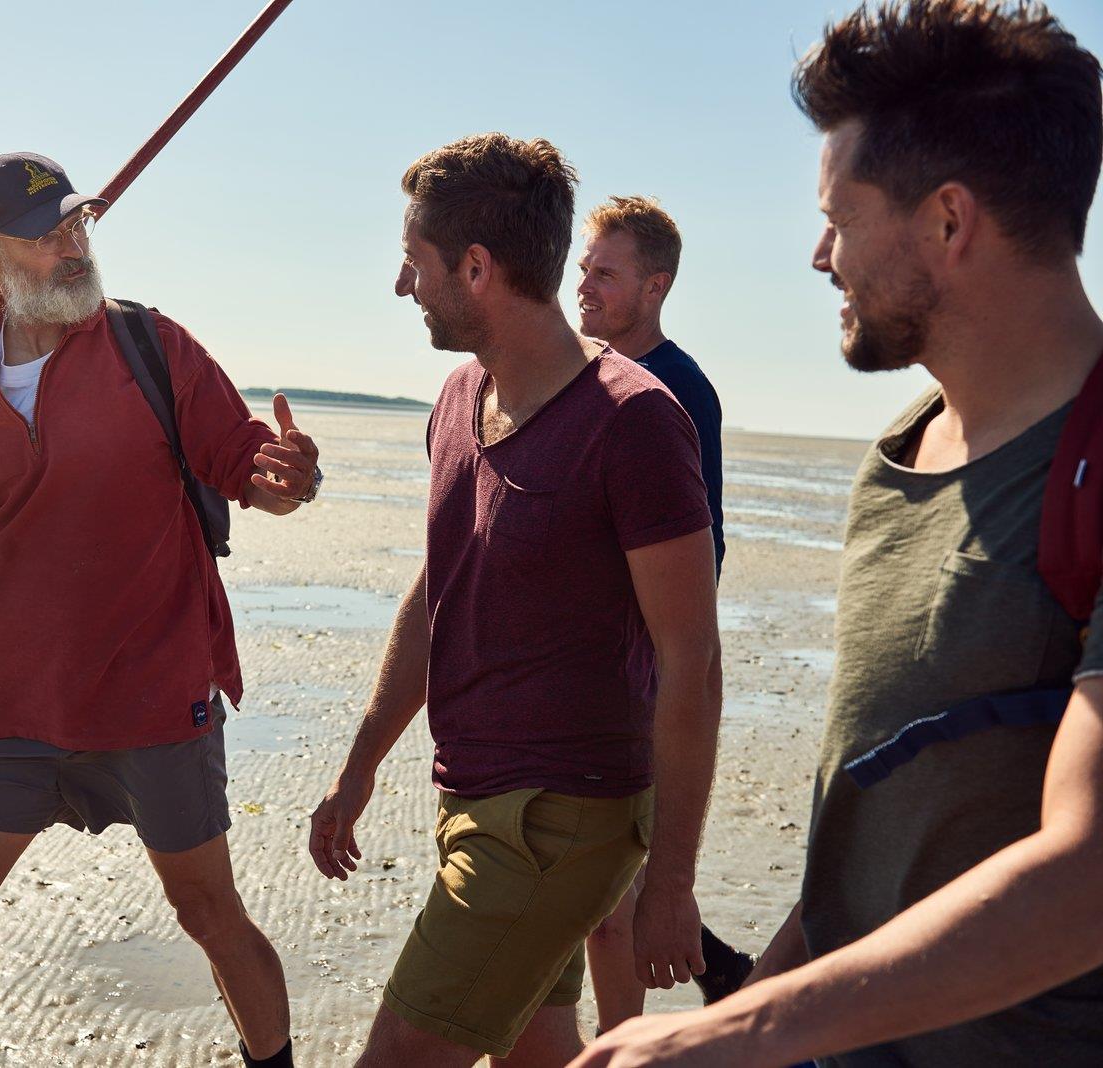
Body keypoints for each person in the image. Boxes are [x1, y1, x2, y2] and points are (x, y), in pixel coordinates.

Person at [574, 2, 1103, 1064]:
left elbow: (1086, 877)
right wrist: (749, 1011)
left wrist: (742, 1028)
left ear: (947, 222)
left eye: (839, 216)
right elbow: (864, 834)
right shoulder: (895, 459)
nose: (821, 256)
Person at [0, 151, 322, 1068]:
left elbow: (250, 469)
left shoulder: (153, 346)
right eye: (45, 236)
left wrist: (288, 476)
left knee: (207, 910)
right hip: (15, 704)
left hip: (156, 691)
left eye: (78, 224)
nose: (73, 246)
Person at [308, 132, 723, 1067]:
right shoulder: (459, 397)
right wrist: (362, 762)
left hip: (560, 821)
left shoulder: (637, 422)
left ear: (479, 267)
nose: (404, 285)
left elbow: (693, 659)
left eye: (416, 263)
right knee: (534, 1051)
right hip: (471, 795)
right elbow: (438, 590)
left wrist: (672, 881)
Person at [575, 197, 753, 1027]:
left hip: (641, 677)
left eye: (604, 273)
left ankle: (629, 1041)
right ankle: (717, 970)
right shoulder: (576, 372)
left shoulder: (679, 391)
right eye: (583, 267)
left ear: (657, 285)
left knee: (614, 903)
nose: (584, 284)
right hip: (582, 676)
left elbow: (701, 555)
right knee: (600, 895)